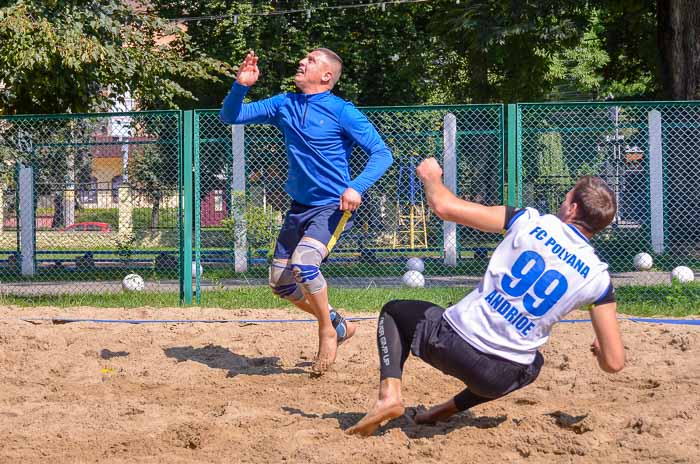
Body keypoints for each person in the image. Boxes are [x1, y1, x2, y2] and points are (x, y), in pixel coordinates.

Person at [347, 158, 625, 436]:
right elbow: (613, 363)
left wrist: (431, 177)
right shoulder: (598, 278)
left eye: (566, 199)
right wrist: (600, 352)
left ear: (573, 208)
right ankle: (441, 412)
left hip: (451, 343)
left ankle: (389, 396)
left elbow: (444, 207)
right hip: (499, 374)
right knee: (532, 365)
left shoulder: (529, 220)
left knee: (394, 312)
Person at [220, 49, 393, 373]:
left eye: (311, 61)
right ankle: (339, 324)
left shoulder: (343, 111)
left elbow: (382, 154)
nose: (302, 62)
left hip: (332, 206)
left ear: (327, 76)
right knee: (280, 283)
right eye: (303, 58)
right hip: (299, 207)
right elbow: (231, 116)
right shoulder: (284, 103)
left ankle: (327, 331)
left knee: (304, 265)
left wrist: (356, 187)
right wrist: (240, 86)